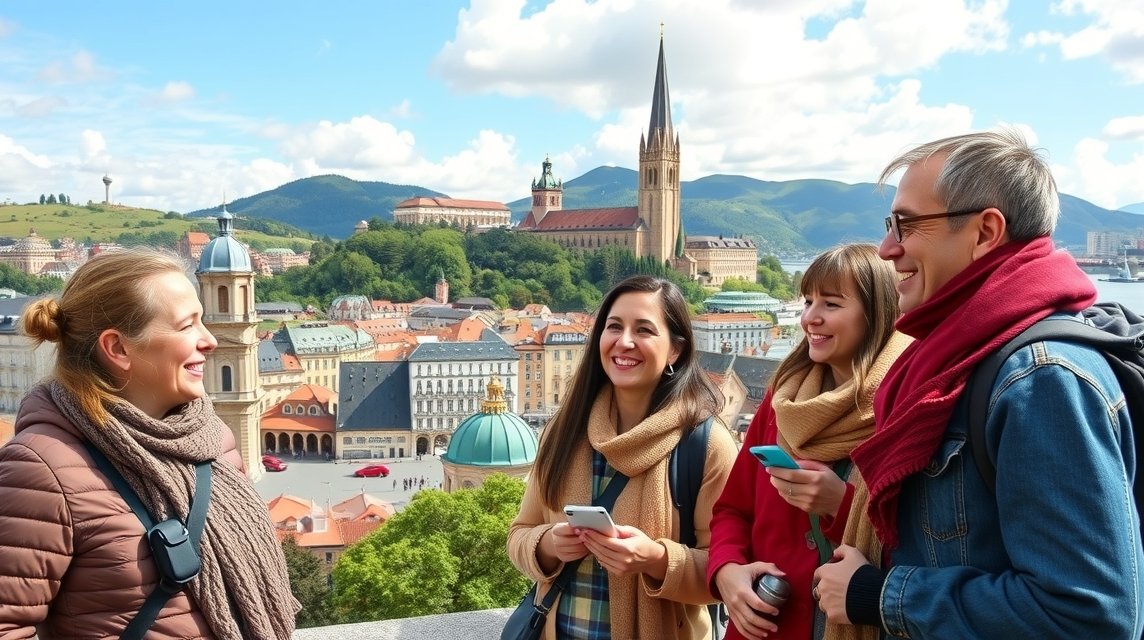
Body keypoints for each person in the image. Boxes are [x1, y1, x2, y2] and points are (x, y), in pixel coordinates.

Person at [813, 128, 1144, 638]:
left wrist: (878, 594)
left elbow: (1088, 616)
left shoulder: (1041, 380)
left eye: (906, 225)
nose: (886, 248)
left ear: (986, 232)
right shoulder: (958, 358)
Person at [0, 247, 299, 639]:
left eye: (203, 322)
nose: (208, 340)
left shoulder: (211, 437)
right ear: (118, 348)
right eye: (187, 326)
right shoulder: (41, 469)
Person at [507, 275, 738, 639]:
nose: (624, 342)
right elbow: (519, 535)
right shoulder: (564, 431)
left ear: (675, 350)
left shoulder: (705, 444)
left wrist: (656, 560)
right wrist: (548, 544)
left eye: (644, 330)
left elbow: (727, 571)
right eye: (614, 326)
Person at [708, 244, 910, 640]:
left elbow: (926, 541)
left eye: (831, 304)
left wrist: (842, 505)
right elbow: (732, 509)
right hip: (764, 626)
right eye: (807, 301)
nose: (809, 318)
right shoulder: (783, 399)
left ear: (877, 313)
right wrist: (727, 572)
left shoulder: (904, 406)